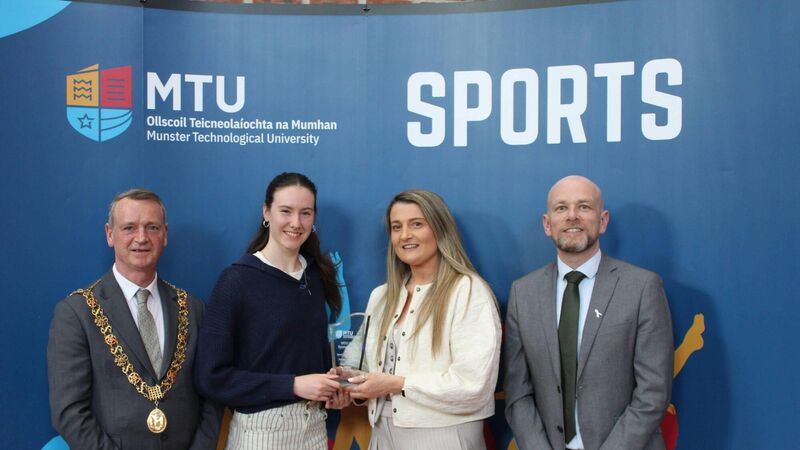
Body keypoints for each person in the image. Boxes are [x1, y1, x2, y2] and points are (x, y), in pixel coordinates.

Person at [504, 175, 674, 450]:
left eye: (584, 206)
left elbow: (653, 393)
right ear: (547, 224)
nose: (572, 216)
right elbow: (517, 392)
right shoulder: (523, 293)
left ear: (603, 220)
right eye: (561, 208)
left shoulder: (643, 288)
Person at [47, 188, 221, 450]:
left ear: (165, 235)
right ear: (110, 234)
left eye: (152, 227)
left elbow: (211, 396)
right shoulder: (76, 313)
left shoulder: (193, 308)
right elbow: (70, 412)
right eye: (129, 228)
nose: (141, 238)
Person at [195, 172, 348, 449]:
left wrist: (332, 388)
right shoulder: (237, 280)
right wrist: (293, 385)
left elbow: (305, 360)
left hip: (314, 429)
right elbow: (211, 377)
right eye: (286, 211)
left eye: (305, 213)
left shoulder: (316, 275)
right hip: (262, 433)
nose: (296, 223)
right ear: (266, 213)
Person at [344, 189, 501, 450]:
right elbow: (360, 359)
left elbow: (474, 385)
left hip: (444, 436)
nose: (405, 235)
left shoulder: (468, 291)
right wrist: (346, 380)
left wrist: (397, 384)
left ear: (440, 229)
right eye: (397, 227)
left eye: (416, 224)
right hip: (381, 432)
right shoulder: (381, 296)